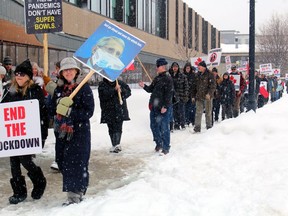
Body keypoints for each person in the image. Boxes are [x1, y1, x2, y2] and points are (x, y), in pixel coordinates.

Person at [1, 59, 48, 204]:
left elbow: (42, 112)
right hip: (13, 134)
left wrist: (41, 133)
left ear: (28, 76)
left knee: (25, 160)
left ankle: (39, 181)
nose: (19, 76)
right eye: (16, 74)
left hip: (29, 133)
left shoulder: (35, 91)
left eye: (22, 74)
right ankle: (19, 192)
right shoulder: (10, 90)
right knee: (14, 162)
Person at [51, 57, 95, 205]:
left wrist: (70, 111)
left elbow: (89, 112)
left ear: (76, 71)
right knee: (62, 162)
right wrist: (57, 104)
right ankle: (79, 188)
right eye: (65, 70)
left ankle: (75, 196)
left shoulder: (84, 88)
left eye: (71, 69)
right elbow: (52, 109)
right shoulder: (59, 89)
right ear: (61, 72)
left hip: (79, 133)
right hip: (62, 133)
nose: (68, 72)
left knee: (76, 163)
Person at [138, 58, 173, 155]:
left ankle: (166, 147)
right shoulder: (157, 78)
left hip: (163, 108)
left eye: (157, 66)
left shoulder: (168, 78)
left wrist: (165, 106)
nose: (156, 68)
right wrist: (144, 86)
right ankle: (159, 143)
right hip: (154, 107)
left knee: (164, 127)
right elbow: (150, 89)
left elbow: (169, 94)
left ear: (162, 66)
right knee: (153, 126)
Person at [98, 77, 131, 153]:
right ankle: (114, 144)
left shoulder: (120, 83)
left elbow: (128, 92)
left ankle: (117, 144)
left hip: (119, 109)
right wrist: (114, 90)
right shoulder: (102, 85)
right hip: (108, 110)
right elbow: (103, 95)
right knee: (111, 128)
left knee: (118, 127)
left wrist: (121, 90)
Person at [191, 61, 216, 133]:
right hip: (199, 96)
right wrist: (193, 96)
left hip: (207, 97)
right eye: (198, 66)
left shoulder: (210, 74)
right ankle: (197, 127)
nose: (198, 67)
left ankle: (209, 126)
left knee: (208, 112)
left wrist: (209, 93)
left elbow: (213, 86)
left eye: (200, 66)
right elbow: (194, 86)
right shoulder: (197, 75)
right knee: (198, 112)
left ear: (204, 67)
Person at [169, 62, 189, 130]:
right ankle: (176, 124)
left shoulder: (183, 76)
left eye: (176, 67)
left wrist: (185, 95)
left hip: (181, 96)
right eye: (174, 67)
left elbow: (186, 86)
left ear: (178, 68)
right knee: (174, 111)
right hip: (173, 97)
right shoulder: (169, 76)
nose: (175, 68)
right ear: (172, 67)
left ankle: (182, 124)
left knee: (181, 111)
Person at [183, 62, 196, 127]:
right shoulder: (182, 75)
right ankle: (186, 121)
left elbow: (195, 85)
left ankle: (192, 121)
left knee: (192, 108)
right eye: (186, 68)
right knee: (185, 109)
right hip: (184, 95)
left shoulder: (193, 75)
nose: (187, 69)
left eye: (189, 68)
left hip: (192, 95)